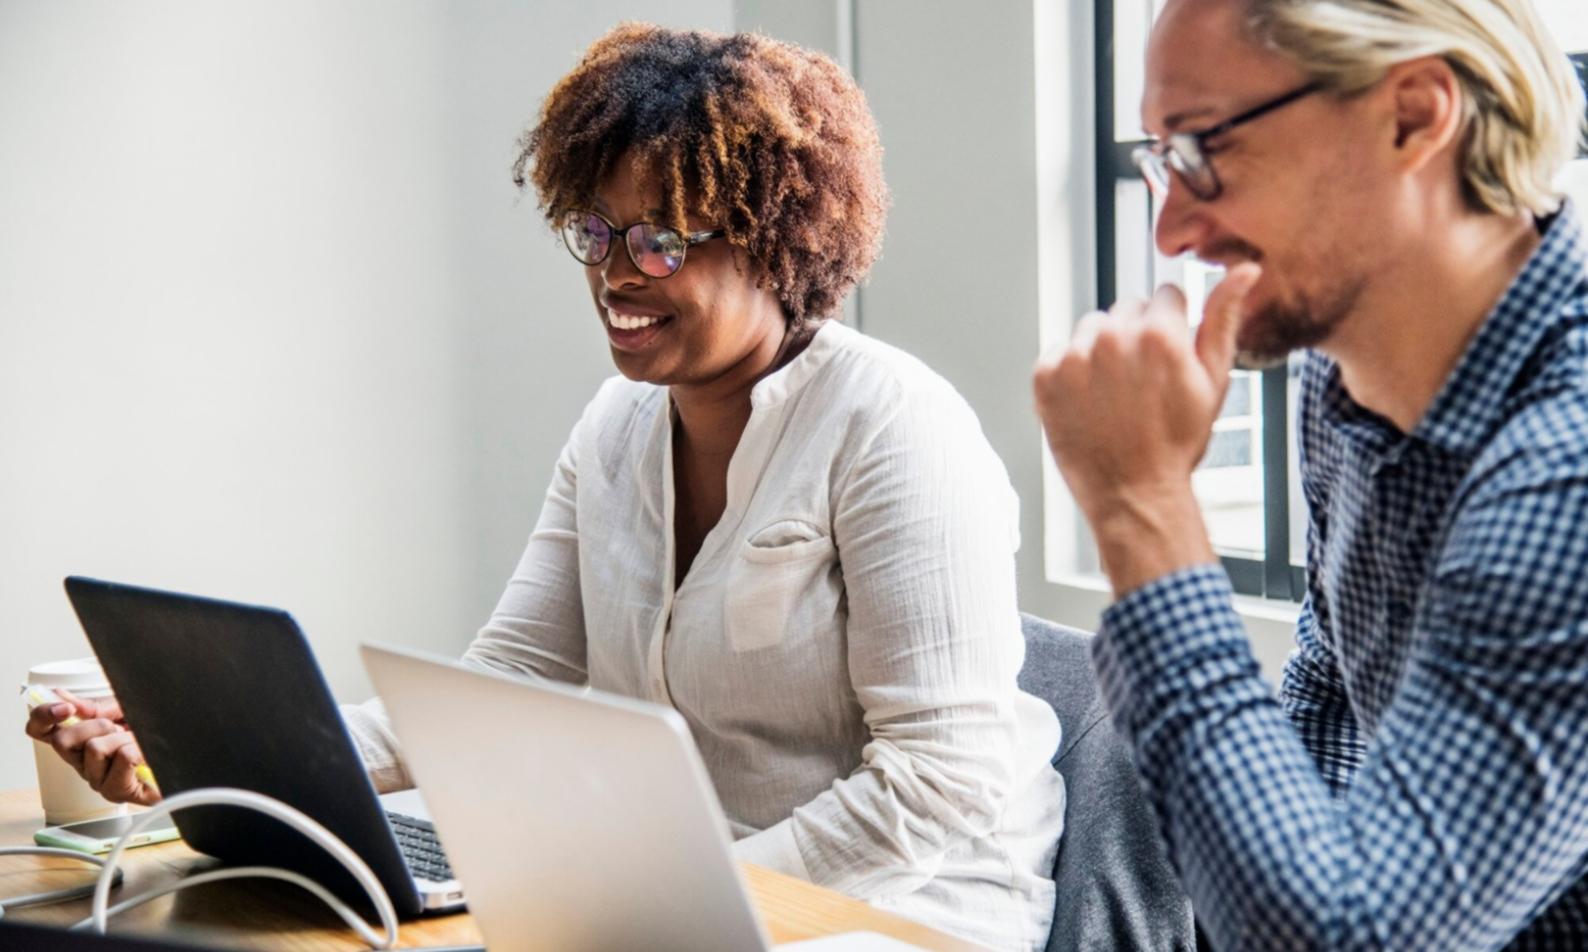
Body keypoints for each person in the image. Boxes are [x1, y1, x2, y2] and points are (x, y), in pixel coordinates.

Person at [29, 24, 1066, 950]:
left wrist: (682, 898)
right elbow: (498, 687)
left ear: (773, 236)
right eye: (599, 231)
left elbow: (939, 784)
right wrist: (205, 758)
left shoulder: (892, 428)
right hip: (659, 888)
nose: (617, 273)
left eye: (662, 239)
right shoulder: (613, 429)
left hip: (898, 903)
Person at [1033, 0, 1588, 947]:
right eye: (1162, 161)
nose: (1170, 233)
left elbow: (1353, 937)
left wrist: (1141, 506)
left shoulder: (1564, 475)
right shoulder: (1342, 375)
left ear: (1413, 115)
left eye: (1204, 148)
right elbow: (1330, 692)